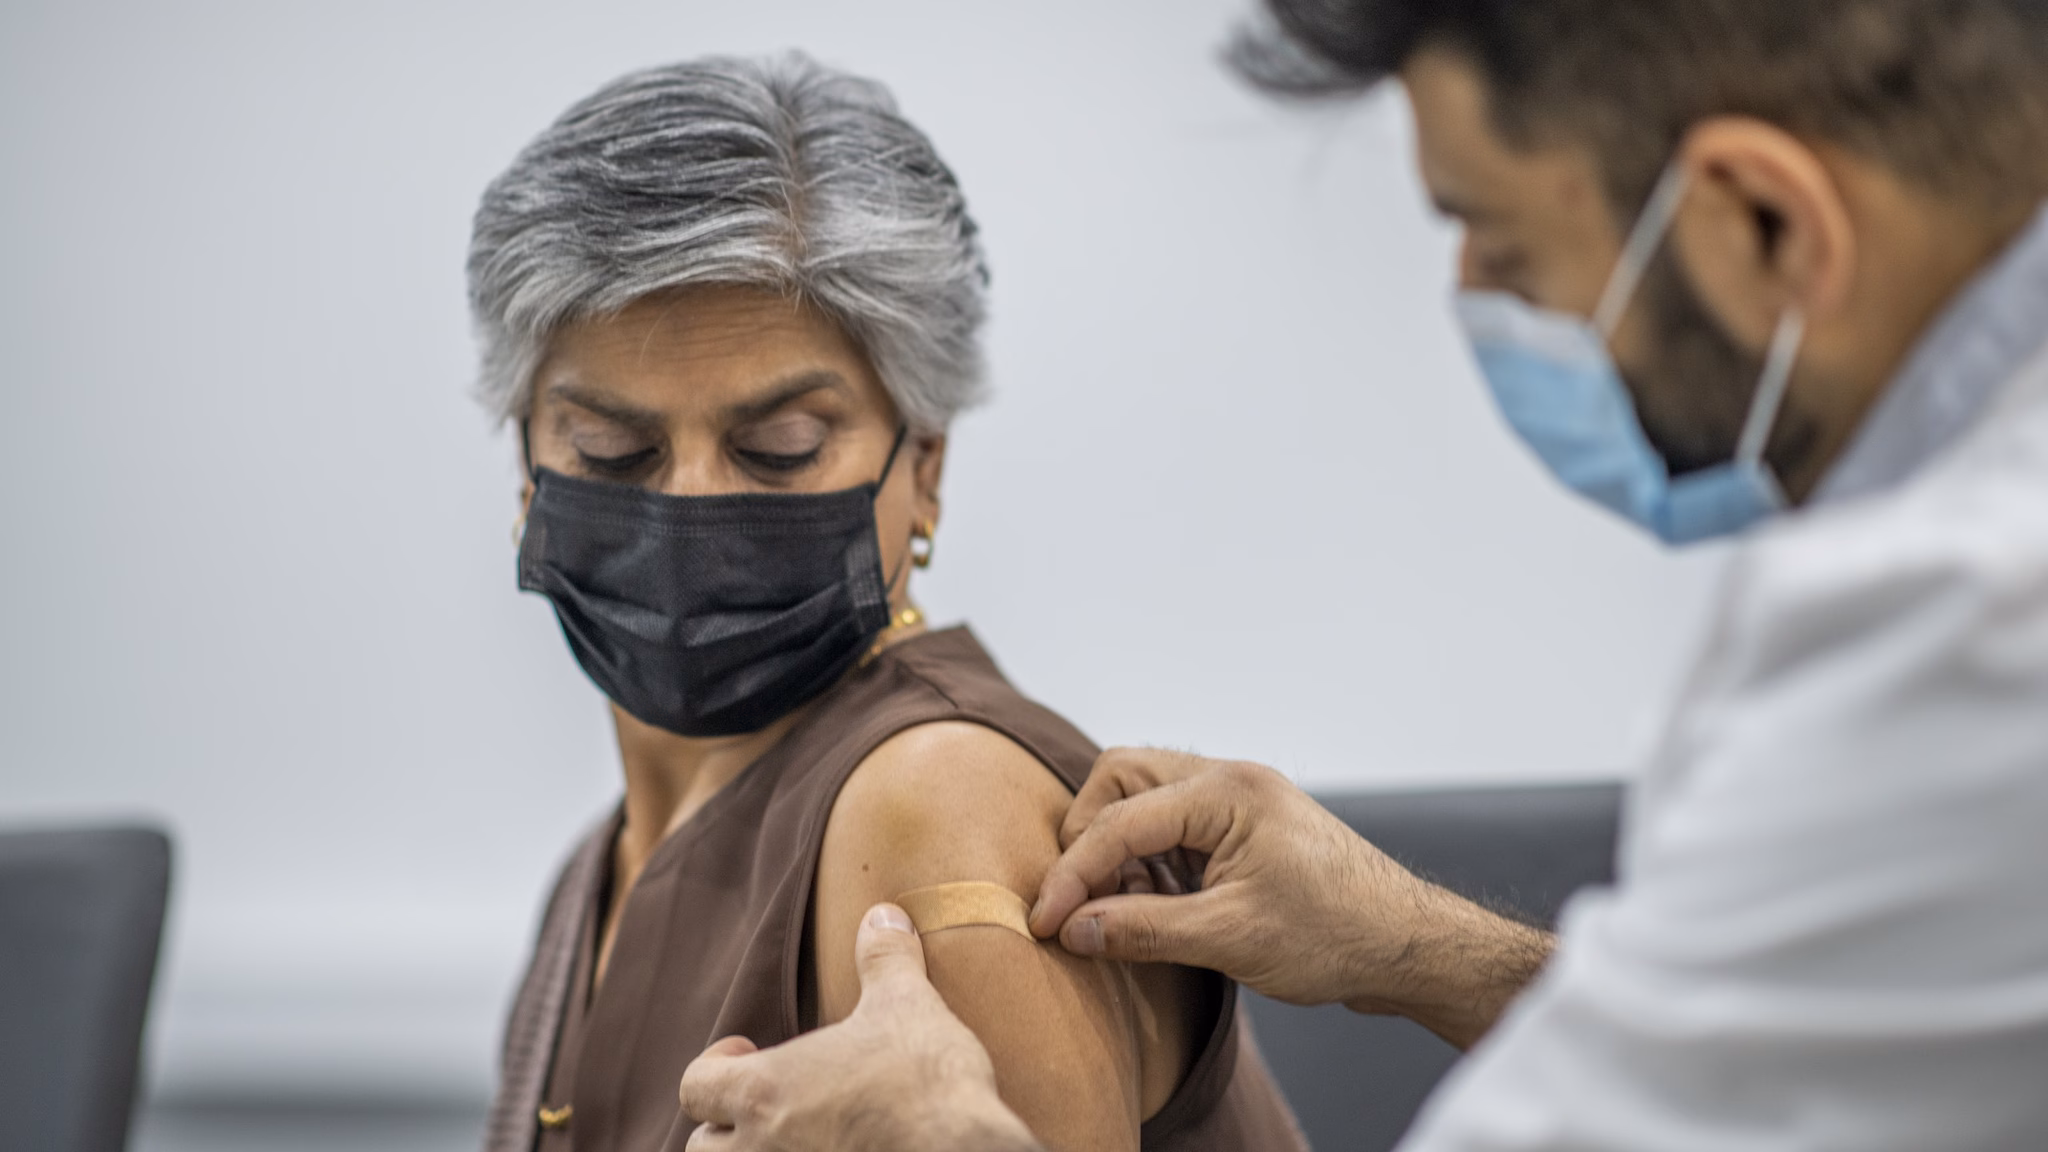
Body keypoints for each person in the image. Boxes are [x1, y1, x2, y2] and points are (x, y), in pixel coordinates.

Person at [676, 2, 2048, 1149]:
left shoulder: (1970, 631)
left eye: (1505, 247)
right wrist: (1412, 947)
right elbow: (1816, 1044)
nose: (1482, 304)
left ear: (1762, 225)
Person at [467, 53, 1307, 1152]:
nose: (691, 512)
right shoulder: (595, 870)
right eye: (612, 449)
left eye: (779, 450)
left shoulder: (933, 803)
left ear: (925, 470)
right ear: (527, 464)